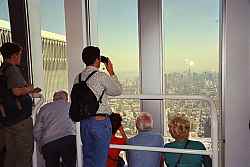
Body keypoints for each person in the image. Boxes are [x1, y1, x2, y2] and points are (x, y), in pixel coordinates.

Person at [75, 46, 122, 167]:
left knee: (88, 160)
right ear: (97, 60)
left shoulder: (78, 77)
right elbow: (117, 90)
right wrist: (111, 71)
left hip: (84, 123)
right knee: (100, 161)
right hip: (100, 123)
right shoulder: (100, 75)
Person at [0, 42, 38, 167]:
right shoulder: (12, 69)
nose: (20, 57)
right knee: (24, 154)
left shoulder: (2, 69)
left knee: (11, 154)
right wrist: (29, 89)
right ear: (14, 55)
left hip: (7, 119)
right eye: (20, 54)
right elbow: (16, 91)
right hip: (20, 120)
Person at [33, 90, 77, 167]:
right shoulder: (71, 106)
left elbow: (36, 130)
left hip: (49, 142)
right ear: (66, 99)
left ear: (53, 99)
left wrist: (41, 144)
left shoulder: (44, 108)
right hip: (68, 139)